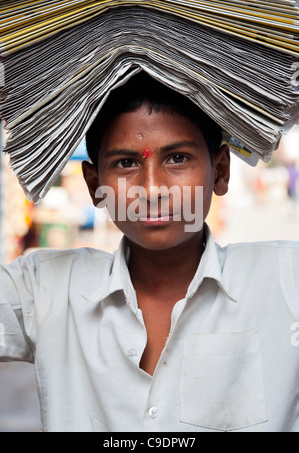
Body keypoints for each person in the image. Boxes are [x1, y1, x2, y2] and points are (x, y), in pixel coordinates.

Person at [0, 72, 298, 432]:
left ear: (219, 171)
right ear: (95, 185)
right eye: (126, 163)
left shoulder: (285, 282)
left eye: (177, 158)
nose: (152, 188)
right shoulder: (43, 288)